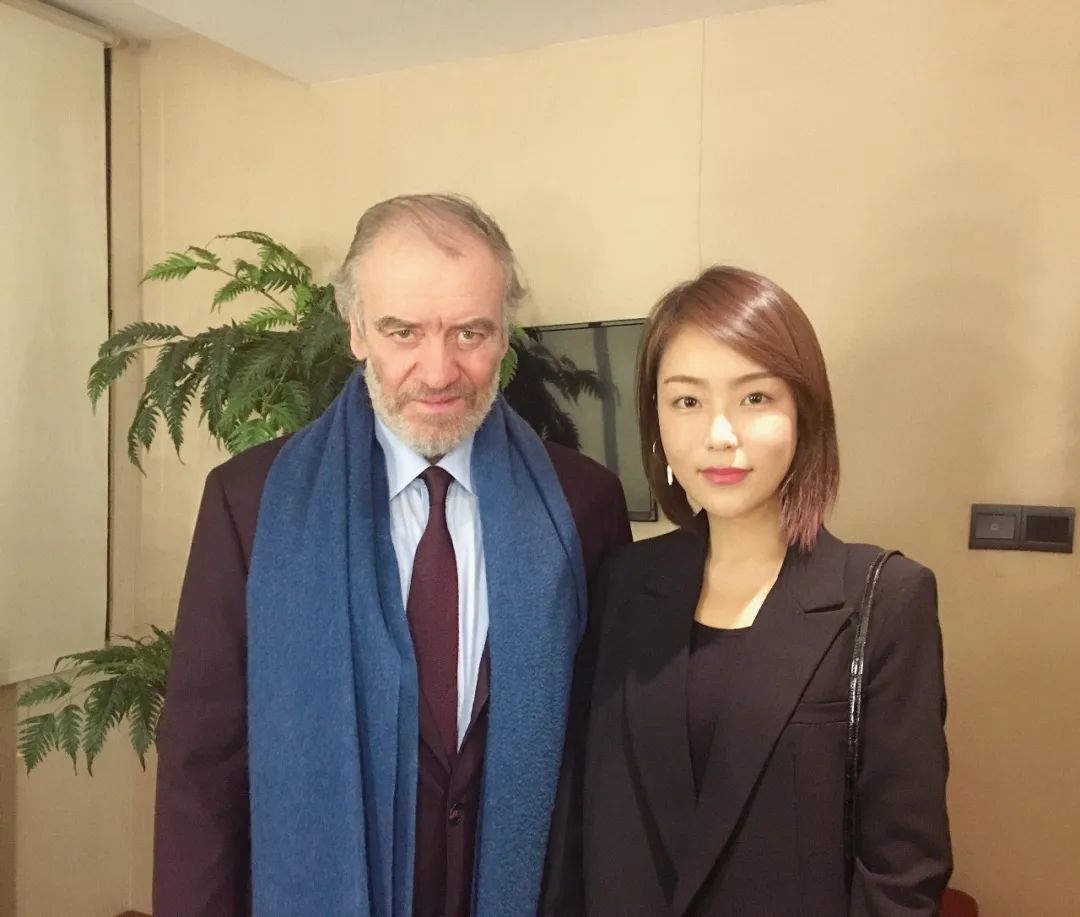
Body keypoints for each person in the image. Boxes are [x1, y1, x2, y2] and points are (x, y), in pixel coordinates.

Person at [153, 193, 631, 917]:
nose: (438, 372)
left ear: (504, 335)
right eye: (403, 331)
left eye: (469, 332)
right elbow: (202, 767)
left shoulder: (583, 506)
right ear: (356, 331)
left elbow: (609, 761)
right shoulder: (249, 505)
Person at [542, 266, 951, 915]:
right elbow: (579, 825)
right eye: (687, 401)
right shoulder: (622, 583)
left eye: (754, 397)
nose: (719, 434)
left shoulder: (885, 601)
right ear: (656, 420)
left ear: (803, 412)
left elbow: (902, 874)